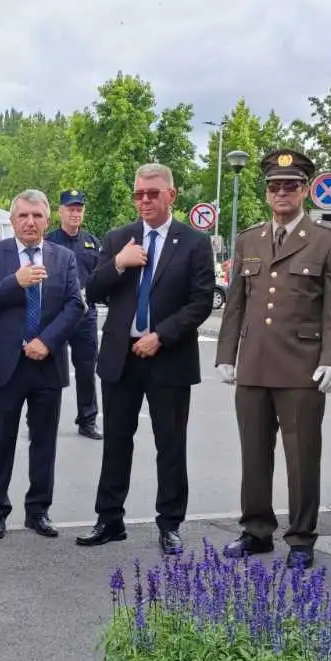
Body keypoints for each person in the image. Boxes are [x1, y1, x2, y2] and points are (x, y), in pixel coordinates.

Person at [215, 149, 331, 567]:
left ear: (305, 190)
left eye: (290, 186)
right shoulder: (249, 240)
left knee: (301, 458)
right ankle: (256, 530)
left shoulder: (328, 242)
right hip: (254, 364)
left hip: (301, 368)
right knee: (254, 455)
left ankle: (301, 538)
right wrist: (227, 353)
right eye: (274, 186)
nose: (281, 193)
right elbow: (235, 303)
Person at [78, 164, 216, 555]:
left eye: (153, 193)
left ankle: (170, 523)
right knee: (116, 443)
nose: (145, 201)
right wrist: (119, 262)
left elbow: (201, 301)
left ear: (172, 195)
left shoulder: (192, 242)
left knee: (170, 445)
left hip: (168, 357)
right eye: (139, 194)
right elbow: (93, 290)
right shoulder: (119, 238)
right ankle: (109, 519)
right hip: (121, 357)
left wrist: (162, 335)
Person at [0, 189, 82, 540]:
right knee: (0, 441)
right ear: (12, 220)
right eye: (23, 216)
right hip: (5, 363)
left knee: (44, 442)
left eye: (37, 216)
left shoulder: (63, 258)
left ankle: (38, 511)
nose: (30, 222)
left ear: (48, 220)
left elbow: (74, 306)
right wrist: (13, 283)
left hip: (46, 363)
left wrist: (46, 342)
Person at [42, 189, 104, 440]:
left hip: (84, 316)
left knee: (87, 369)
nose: (75, 213)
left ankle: (87, 419)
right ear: (60, 212)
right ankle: (42, 418)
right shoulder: (49, 241)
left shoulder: (92, 243)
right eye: (70, 209)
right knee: (48, 368)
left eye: (79, 209)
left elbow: (99, 278)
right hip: (55, 315)